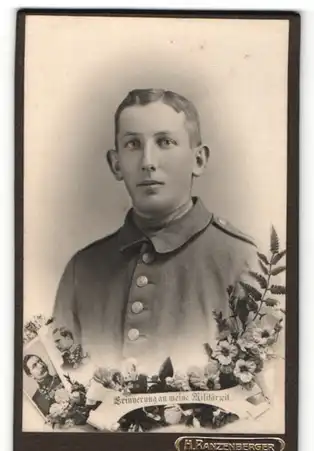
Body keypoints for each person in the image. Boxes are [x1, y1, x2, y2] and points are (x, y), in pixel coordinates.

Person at [52, 88, 257, 373]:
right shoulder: (82, 270)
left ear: (198, 160)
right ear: (116, 164)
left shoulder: (246, 263)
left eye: (165, 141)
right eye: (133, 144)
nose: (148, 161)